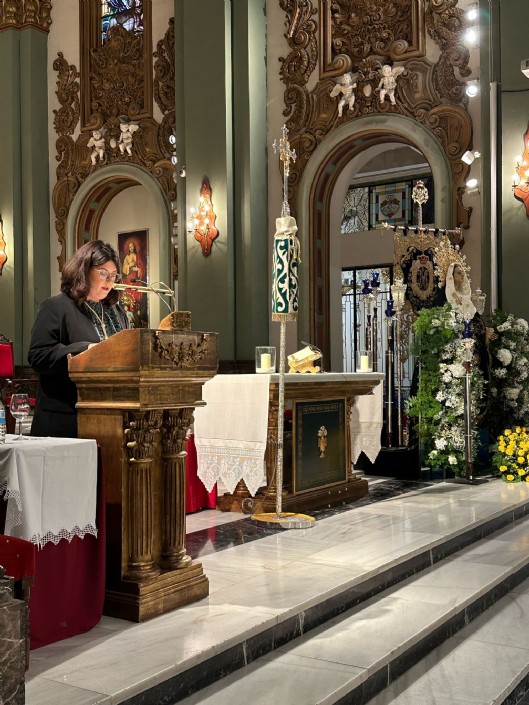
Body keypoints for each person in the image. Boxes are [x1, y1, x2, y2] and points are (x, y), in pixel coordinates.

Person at [28, 240, 129, 438]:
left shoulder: (116, 312)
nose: (109, 280)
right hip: (66, 420)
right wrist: (87, 350)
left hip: (111, 417)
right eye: (103, 273)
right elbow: (38, 356)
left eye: (113, 275)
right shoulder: (56, 307)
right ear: (83, 271)